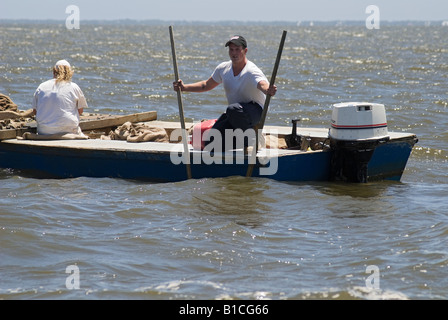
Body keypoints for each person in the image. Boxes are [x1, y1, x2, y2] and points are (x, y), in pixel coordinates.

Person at [173, 35, 277, 150]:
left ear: (245, 51)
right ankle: (244, 142)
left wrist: (268, 90)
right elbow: (205, 85)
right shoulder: (223, 68)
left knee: (233, 109)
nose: (234, 53)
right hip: (235, 114)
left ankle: (251, 142)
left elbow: (262, 84)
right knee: (210, 144)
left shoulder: (251, 70)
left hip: (256, 111)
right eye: (231, 49)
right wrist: (183, 87)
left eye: (238, 49)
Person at [32, 59, 87, 136]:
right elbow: (80, 111)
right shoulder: (74, 87)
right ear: (69, 73)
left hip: (44, 131)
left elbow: (35, 111)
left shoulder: (42, 86)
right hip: (69, 130)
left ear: (54, 72)